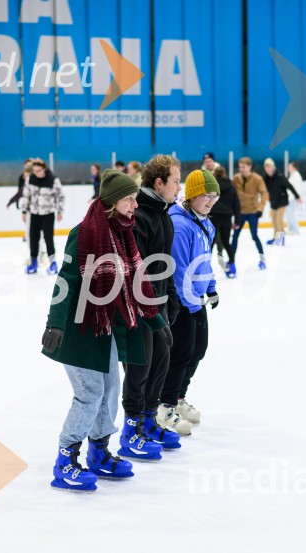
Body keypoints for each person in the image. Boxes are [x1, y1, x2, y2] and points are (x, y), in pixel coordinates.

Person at [41, 169, 169, 491]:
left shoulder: (124, 234)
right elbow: (66, 280)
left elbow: (134, 282)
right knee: (90, 394)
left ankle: (99, 451)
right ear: (113, 201)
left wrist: (157, 321)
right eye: (129, 199)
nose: (134, 205)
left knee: (111, 389)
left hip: (103, 330)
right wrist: (54, 323)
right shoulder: (84, 233)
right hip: (76, 329)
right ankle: (65, 459)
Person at [120, 154, 184, 456]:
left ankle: (147, 420)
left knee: (161, 359)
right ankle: (130, 431)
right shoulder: (141, 216)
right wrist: (152, 310)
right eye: (175, 181)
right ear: (158, 182)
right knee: (140, 365)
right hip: (137, 307)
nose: (178, 187)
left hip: (157, 305)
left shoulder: (163, 214)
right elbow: (136, 271)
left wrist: (170, 297)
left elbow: (165, 263)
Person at [157, 169, 220, 435]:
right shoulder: (181, 225)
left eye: (215, 196)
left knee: (198, 351)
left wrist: (212, 287)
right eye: (206, 195)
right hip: (183, 303)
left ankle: (179, 397)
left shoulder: (206, 223)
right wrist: (190, 303)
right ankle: (165, 405)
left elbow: (204, 261)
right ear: (192, 195)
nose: (211, 201)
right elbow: (179, 269)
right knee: (181, 354)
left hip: (198, 299)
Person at [22, 160, 64, 275]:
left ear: (44, 169)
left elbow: (60, 196)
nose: (36, 173)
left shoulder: (53, 180)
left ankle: (52, 263)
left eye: (38, 171)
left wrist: (60, 211)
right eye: (34, 171)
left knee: (48, 238)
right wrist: (24, 211)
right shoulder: (30, 179)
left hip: (48, 214)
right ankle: (33, 262)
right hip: (34, 213)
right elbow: (26, 195)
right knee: (33, 238)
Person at [231, 156, 269, 270]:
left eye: (243, 167)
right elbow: (230, 192)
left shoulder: (257, 179)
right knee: (235, 236)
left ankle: (262, 259)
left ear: (249, 167)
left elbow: (264, 194)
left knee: (254, 236)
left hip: (253, 212)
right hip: (240, 212)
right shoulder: (236, 178)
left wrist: (260, 209)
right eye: (240, 167)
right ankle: (231, 260)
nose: (241, 169)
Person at [209, 165, 241, 278]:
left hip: (213, 216)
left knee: (211, 242)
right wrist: (237, 220)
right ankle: (232, 265)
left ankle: (205, 266)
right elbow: (236, 204)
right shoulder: (231, 187)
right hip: (227, 217)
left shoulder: (212, 186)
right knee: (226, 242)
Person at [263, 157, 301, 246]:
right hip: (273, 201)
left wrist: (297, 196)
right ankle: (276, 238)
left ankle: (281, 239)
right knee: (274, 221)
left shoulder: (279, 176)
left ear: (273, 167)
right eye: (266, 167)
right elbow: (262, 188)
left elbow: (289, 186)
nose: (268, 169)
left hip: (282, 201)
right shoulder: (265, 178)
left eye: (269, 167)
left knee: (279, 220)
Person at [285, 162, 303, 236]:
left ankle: (295, 229)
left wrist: (297, 197)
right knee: (289, 213)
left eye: (290, 166)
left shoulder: (296, 176)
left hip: (292, 198)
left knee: (290, 213)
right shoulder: (292, 175)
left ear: (294, 167)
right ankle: (291, 229)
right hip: (290, 197)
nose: (288, 168)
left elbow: (296, 188)